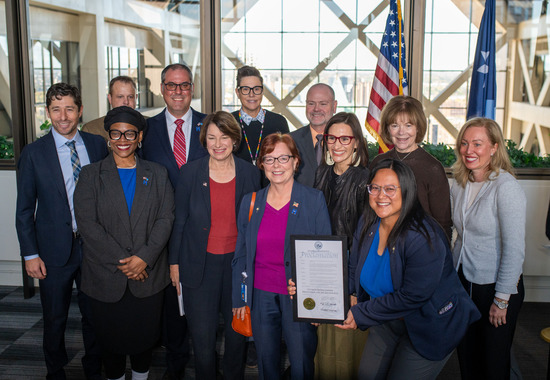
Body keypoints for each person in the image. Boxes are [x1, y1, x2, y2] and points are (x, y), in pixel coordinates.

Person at [337, 159, 480, 379]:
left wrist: (360, 313)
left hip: (429, 324)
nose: (380, 196)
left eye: (390, 189)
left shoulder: (422, 236)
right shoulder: (368, 219)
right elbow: (353, 264)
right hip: (386, 318)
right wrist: (345, 293)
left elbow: (413, 297)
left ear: (407, 191)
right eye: (374, 188)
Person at [15, 83, 107, 380]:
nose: (63, 116)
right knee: (55, 318)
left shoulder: (96, 145)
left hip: (92, 248)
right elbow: (25, 210)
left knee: (95, 316)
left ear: (80, 110)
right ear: (48, 112)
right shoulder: (34, 153)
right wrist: (30, 254)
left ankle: (95, 368)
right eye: (56, 109)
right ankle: (55, 371)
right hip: (52, 250)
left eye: (69, 108)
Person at [74, 106, 173, 380]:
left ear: (139, 136)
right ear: (108, 136)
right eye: (116, 133)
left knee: (144, 343)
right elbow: (88, 226)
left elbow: (165, 218)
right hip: (105, 277)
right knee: (111, 348)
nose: (123, 139)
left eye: (130, 133)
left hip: (148, 276)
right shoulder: (90, 175)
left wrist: (144, 258)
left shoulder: (157, 173)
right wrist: (127, 262)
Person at [168, 111, 261, 379]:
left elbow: (254, 225)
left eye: (224, 137)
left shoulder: (250, 174)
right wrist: (174, 263)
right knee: (202, 339)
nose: (218, 143)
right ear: (204, 140)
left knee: (236, 336)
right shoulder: (189, 172)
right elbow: (180, 221)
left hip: (237, 267)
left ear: (234, 139)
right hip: (199, 266)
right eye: (211, 137)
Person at [232, 133, 331, 380]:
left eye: (283, 158)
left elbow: (326, 256)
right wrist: (239, 298)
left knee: (301, 363)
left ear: (295, 161)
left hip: (299, 296)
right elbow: (241, 255)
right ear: (262, 164)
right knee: (266, 363)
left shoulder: (313, 200)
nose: (277, 165)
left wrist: (318, 303)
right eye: (269, 159)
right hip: (260, 295)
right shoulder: (250, 202)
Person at [140, 63, 207, 380]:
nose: (178, 91)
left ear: (192, 88)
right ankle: (176, 364)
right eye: (171, 85)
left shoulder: (210, 127)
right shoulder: (146, 130)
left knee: (204, 300)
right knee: (171, 302)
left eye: (184, 85)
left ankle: (207, 356)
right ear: (162, 89)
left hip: (205, 231)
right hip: (162, 231)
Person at [451, 117, 526, 380]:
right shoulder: (460, 182)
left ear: (494, 147)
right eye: (464, 143)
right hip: (464, 282)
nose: (469, 150)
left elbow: (514, 250)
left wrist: (501, 300)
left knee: (493, 362)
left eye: (477, 144)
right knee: (467, 356)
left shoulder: (506, 188)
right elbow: (457, 232)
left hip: (495, 287)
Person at [312, 112, 369, 379]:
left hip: (351, 274)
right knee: (325, 345)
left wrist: (354, 287)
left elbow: (366, 240)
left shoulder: (366, 180)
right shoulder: (321, 174)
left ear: (356, 142)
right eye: (331, 138)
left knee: (346, 348)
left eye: (344, 138)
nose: (337, 144)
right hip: (323, 270)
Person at [369, 95, 452, 240]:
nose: (401, 132)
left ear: (418, 127)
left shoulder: (432, 168)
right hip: (382, 242)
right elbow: (369, 211)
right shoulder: (378, 162)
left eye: (408, 125)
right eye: (395, 125)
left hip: (419, 245)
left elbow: (442, 223)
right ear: (388, 129)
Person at [232, 65, 289, 166]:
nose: (251, 94)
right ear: (237, 92)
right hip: (239, 181)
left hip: (273, 181)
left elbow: (287, 159)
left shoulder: (279, 122)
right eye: (245, 89)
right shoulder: (229, 122)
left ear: (262, 91)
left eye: (256, 89)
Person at [291, 83, 337, 187]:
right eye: (311, 103)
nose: (316, 109)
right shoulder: (290, 141)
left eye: (323, 104)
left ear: (334, 106)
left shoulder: (346, 142)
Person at [82, 75, 138, 141]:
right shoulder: (91, 130)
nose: (126, 102)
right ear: (110, 98)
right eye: (120, 97)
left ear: (136, 98)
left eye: (130, 97)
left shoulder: (150, 125)